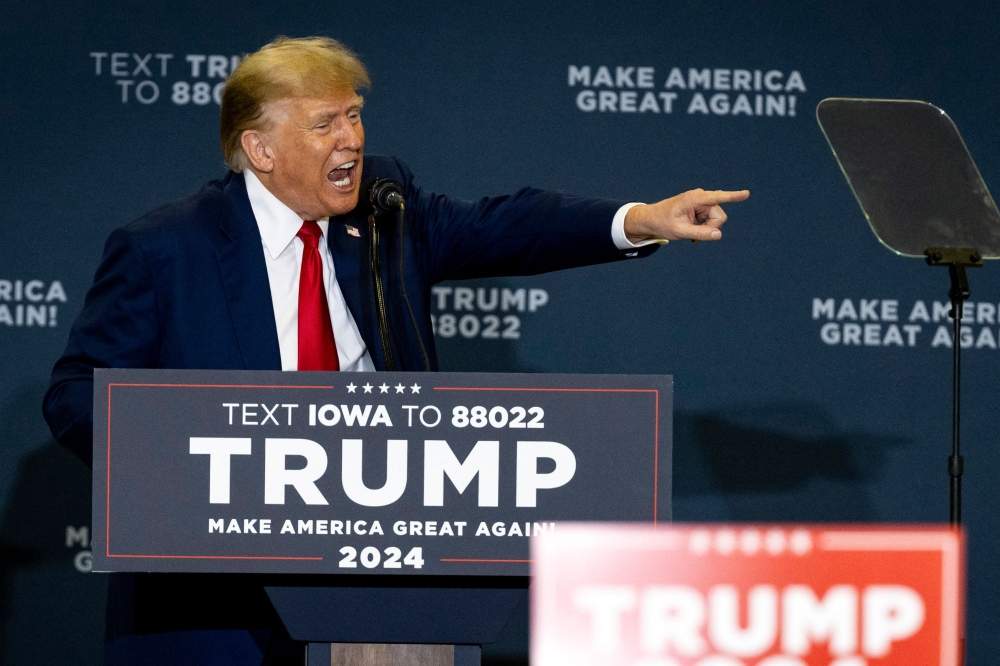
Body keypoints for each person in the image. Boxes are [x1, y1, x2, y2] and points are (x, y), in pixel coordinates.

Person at [43, 36, 748, 666]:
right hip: (218, 604)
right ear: (260, 149)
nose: (349, 139)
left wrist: (640, 221)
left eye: (353, 115)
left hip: (381, 592)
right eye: (324, 124)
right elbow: (77, 394)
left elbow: (506, 227)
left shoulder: (386, 208)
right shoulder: (165, 248)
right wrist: (195, 465)